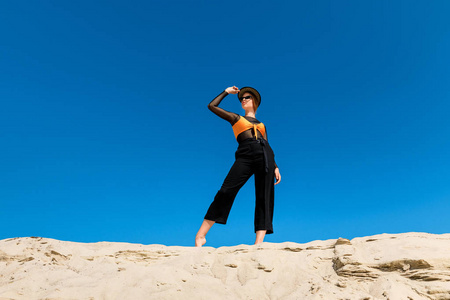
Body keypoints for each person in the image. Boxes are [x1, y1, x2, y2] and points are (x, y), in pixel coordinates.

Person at [195, 86, 281, 247]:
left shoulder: (262, 124)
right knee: (226, 191)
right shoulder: (236, 118)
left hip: (265, 156)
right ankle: (201, 235)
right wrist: (226, 92)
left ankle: (259, 243)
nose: (243, 100)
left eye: (246, 97)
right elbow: (212, 106)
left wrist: (275, 166)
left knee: (264, 196)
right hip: (245, 154)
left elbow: (267, 143)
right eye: (241, 98)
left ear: (254, 101)